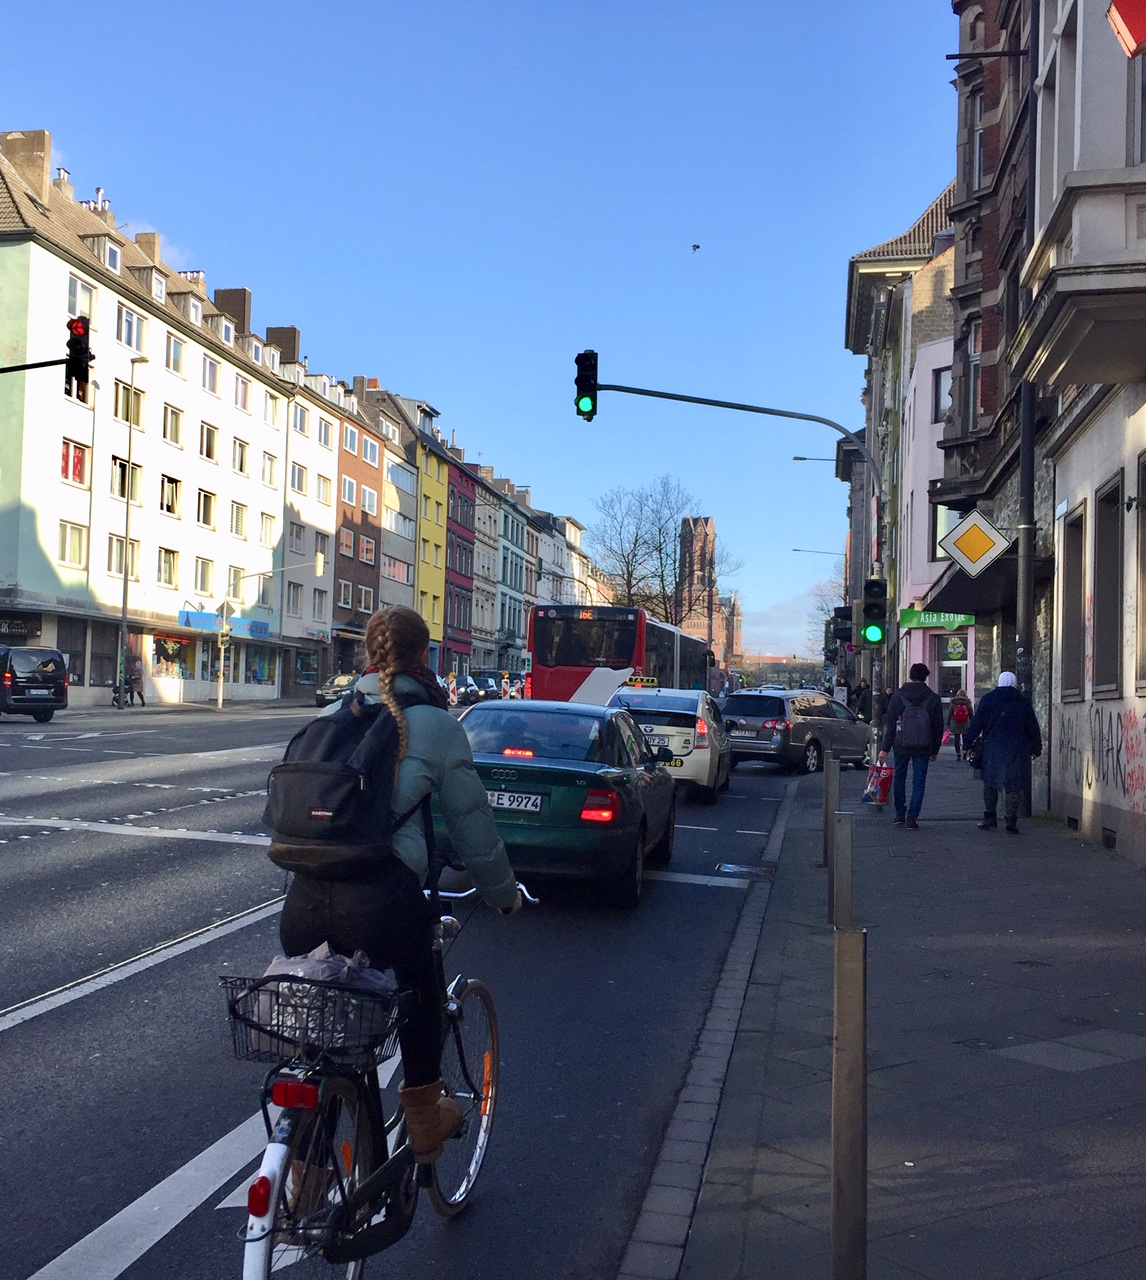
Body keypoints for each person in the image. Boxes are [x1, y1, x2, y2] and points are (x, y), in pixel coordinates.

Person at [277, 606, 522, 1163]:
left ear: (368, 655)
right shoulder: (435, 724)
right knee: (421, 991)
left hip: (304, 904)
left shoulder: (332, 715)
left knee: (321, 1032)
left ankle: (305, 1173)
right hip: (381, 905)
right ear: (422, 656)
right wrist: (503, 895)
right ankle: (425, 1117)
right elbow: (473, 826)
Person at [963, 671, 1042, 833]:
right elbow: (1033, 727)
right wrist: (1036, 748)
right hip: (1017, 748)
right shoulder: (1022, 702)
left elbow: (976, 724)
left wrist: (967, 744)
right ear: (1014, 683)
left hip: (992, 747)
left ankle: (990, 817)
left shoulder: (988, 700)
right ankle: (1011, 821)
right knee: (1014, 785)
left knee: (990, 782)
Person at [877, 662, 944, 829]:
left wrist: (885, 748)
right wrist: (935, 749)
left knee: (900, 777)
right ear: (926, 677)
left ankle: (900, 813)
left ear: (910, 675)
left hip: (901, 744)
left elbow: (891, 724)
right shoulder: (933, 698)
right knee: (919, 780)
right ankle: (912, 817)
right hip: (924, 746)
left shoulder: (898, 696)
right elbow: (938, 727)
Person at [946, 687, 974, 759]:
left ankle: (958, 754)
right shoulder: (967, 703)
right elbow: (971, 713)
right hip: (965, 723)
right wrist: (972, 723)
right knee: (965, 739)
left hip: (955, 723)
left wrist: (948, 723)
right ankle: (964, 753)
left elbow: (950, 714)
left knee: (956, 739)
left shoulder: (954, 702)